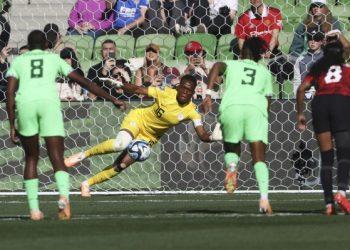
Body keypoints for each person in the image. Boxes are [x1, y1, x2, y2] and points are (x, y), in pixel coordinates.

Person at [6, 30, 125, 220]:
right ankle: (63, 197)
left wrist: (12, 125)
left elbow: (10, 93)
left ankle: (34, 210)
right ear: (46, 44)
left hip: (25, 104)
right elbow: (83, 81)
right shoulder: (54, 59)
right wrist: (112, 98)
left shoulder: (19, 61)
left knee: (31, 158)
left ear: (28, 45)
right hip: (49, 105)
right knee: (56, 156)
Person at [64, 74, 219, 197]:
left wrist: (213, 137)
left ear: (193, 93)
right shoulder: (166, 93)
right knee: (121, 144)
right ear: (178, 87)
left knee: (121, 165)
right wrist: (119, 85)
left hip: (149, 137)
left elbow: (202, 134)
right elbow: (139, 90)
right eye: (183, 88)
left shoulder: (192, 111)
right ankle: (82, 156)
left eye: (189, 90)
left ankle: (86, 184)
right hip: (137, 119)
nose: (185, 92)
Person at [202, 37, 273, 214]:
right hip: (255, 109)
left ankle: (232, 167)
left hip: (231, 107)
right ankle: (264, 200)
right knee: (259, 158)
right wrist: (263, 117)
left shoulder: (232, 65)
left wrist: (209, 94)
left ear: (242, 53)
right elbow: (267, 100)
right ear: (259, 55)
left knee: (232, 148)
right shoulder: (264, 72)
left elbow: (217, 66)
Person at [296, 41, 350, 215]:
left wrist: (300, 114)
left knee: (326, 157)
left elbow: (301, 89)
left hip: (319, 104)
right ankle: (341, 193)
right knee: (344, 153)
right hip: (340, 102)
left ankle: (328, 204)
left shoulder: (318, 70)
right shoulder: (347, 70)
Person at [293, 28, 324, 98]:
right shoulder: (300, 59)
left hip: (321, 96)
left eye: (316, 39)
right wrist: (296, 97)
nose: (313, 42)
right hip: (303, 96)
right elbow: (297, 80)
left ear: (321, 41)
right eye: (310, 39)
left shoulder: (326, 58)